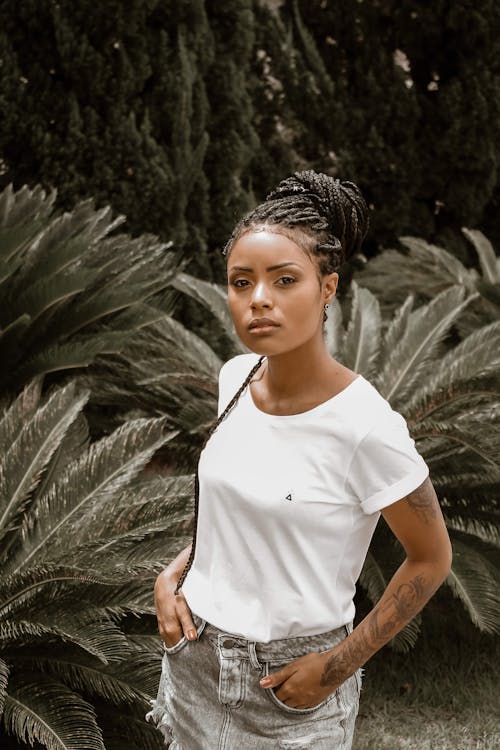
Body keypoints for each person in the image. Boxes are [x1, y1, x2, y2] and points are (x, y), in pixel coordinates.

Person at [147, 170, 452, 749]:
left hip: (289, 686)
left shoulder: (365, 428)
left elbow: (431, 559)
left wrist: (337, 666)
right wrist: (175, 575)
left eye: (284, 280)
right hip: (192, 661)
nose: (258, 298)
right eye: (242, 282)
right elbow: (232, 508)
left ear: (328, 288)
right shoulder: (236, 378)